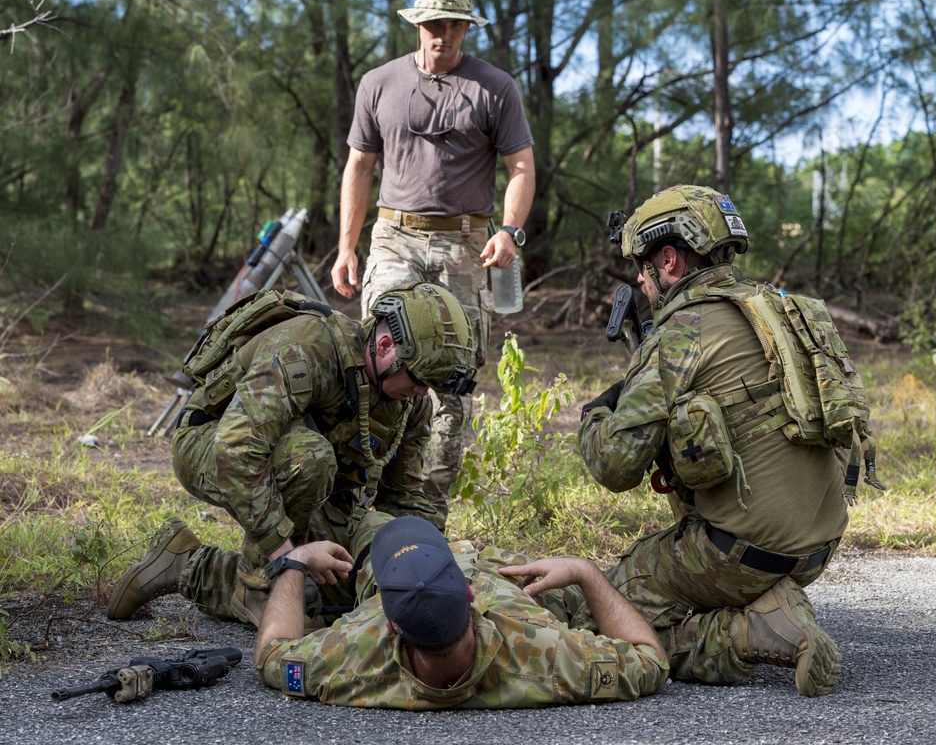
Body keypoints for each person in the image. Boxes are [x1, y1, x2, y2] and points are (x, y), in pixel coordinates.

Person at [578, 184, 869, 697]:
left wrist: (597, 412)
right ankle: (775, 598)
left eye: (643, 269)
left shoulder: (681, 331)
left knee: (609, 610)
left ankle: (749, 632)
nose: (642, 282)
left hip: (742, 554)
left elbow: (614, 466)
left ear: (668, 259)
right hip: (820, 548)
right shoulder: (786, 310)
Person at [106, 282, 478, 625]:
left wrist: (427, 566)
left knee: (342, 583)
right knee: (309, 459)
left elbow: (404, 498)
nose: (419, 395)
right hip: (211, 443)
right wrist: (285, 560)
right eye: (416, 382)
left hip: (310, 478)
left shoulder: (409, 403)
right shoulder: (307, 348)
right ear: (385, 348)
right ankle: (257, 585)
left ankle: (186, 563)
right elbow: (237, 450)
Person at [329, 0, 536, 521]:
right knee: (379, 357)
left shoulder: (495, 89)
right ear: (416, 24)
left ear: (466, 28)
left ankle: (425, 512)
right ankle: (356, 496)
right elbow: (359, 166)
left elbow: (520, 169)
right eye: (433, 24)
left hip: (465, 243)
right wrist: (346, 247)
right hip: (394, 235)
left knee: (451, 373)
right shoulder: (379, 83)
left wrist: (508, 230)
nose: (442, 35)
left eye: (453, 25)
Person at [254, 515, 668, 708]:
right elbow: (650, 659)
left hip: (387, 567)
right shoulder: (551, 653)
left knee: (373, 523)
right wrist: (583, 571)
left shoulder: (349, 654)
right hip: (512, 577)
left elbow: (272, 651)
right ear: (469, 593)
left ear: (391, 624)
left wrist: (296, 562)